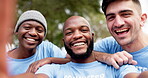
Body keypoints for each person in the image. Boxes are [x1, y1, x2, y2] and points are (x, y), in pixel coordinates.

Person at [34, 16, 144, 78]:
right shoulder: (51, 69)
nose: (77, 35)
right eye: (69, 33)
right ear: (64, 41)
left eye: (84, 30)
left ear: (92, 37)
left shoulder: (116, 67)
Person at [7, 10, 68, 75]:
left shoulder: (47, 48)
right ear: (17, 31)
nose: (33, 33)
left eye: (39, 30)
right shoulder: (5, 62)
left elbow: (73, 63)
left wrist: (50, 59)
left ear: (44, 36)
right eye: (27, 27)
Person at [93, 0, 148, 72]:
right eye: (111, 17)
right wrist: (106, 57)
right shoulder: (109, 45)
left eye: (125, 14)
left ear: (142, 19)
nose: (118, 23)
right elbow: (75, 55)